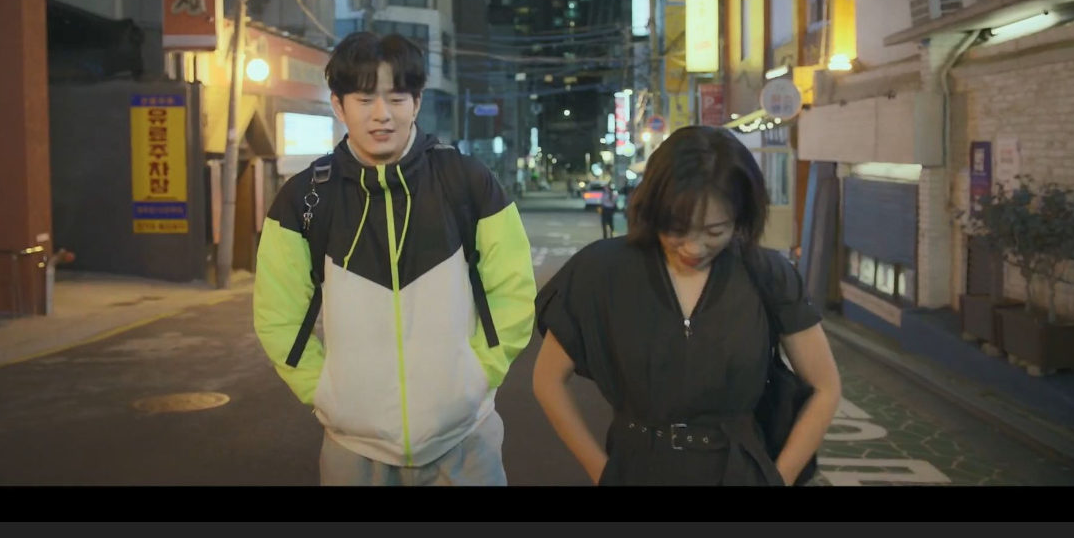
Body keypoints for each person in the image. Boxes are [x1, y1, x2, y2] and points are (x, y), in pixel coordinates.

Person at [254, 32, 537, 486]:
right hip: (352, 448)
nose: (382, 114)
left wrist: (477, 378)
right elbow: (277, 314)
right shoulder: (304, 198)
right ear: (338, 105)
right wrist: (325, 392)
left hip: (465, 439)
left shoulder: (467, 180)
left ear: (417, 103)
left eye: (397, 98)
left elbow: (514, 288)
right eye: (365, 99)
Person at [532, 125, 841, 486]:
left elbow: (825, 387)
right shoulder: (602, 270)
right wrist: (603, 472)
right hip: (637, 470)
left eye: (715, 231)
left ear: (741, 216)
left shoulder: (767, 273)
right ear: (653, 209)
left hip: (737, 472)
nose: (694, 248)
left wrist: (776, 481)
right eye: (677, 228)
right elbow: (548, 380)